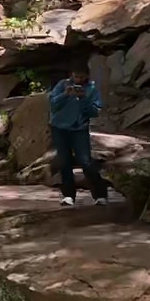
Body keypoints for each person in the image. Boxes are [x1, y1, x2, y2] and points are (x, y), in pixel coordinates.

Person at [47, 64, 109, 206]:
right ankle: (68, 195)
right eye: (76, 76)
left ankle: (100, 195)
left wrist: (83, 100)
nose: (78, 79)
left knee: (85, 161)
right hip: (59, 128)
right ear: (71, 75)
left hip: (79, 129)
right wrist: (65, 95)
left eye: (81, 77)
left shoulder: (91, 89)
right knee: (64, 161)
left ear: (87, 76)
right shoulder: (62, 85)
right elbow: (53, 105)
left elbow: (94, 111)